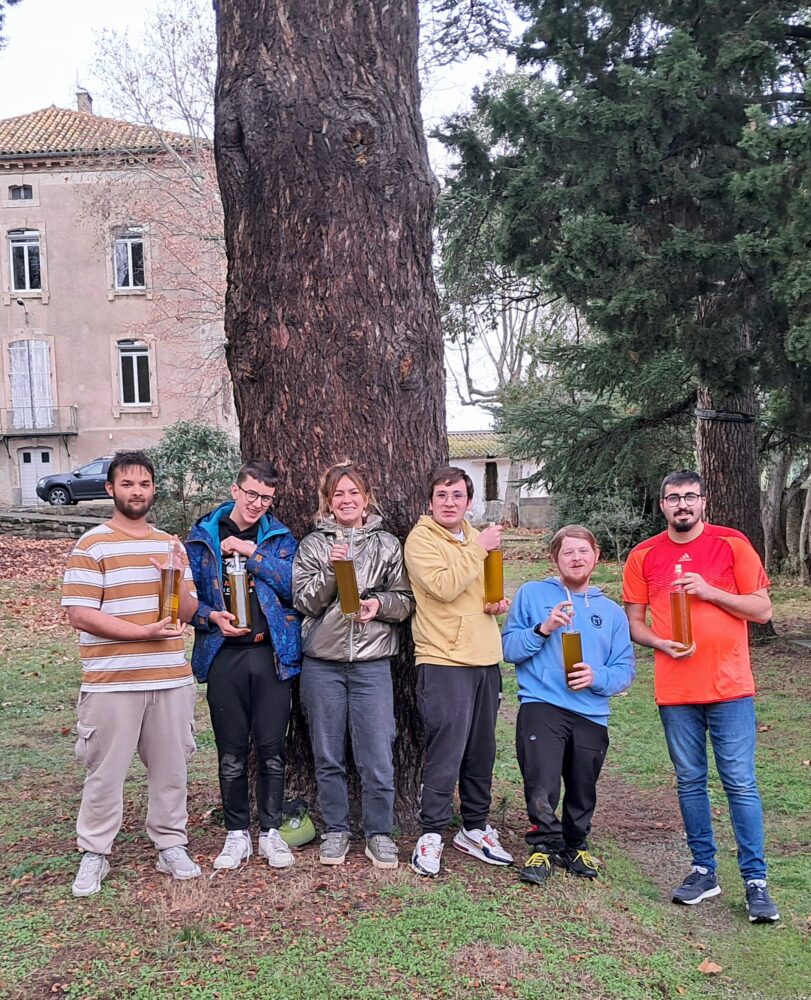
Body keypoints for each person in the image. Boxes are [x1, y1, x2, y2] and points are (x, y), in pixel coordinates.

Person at [622, 469, 779, 923]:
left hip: (730, 686)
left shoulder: (731, 544)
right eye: (674, 498)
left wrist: (710, 592)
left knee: (739, 782)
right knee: (690, 780)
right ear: (662, 505)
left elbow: (763, 609)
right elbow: (634, 621)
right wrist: (656, 642)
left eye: (691, 497)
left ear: (704, 502)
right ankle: (703, 871)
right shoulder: (644, 555)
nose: (683, 505)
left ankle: (755, 880)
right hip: (676, 690)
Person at [62, 451, 201, 897]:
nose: (136, 491)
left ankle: (170, 844)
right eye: (127, 484)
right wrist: (143, 633)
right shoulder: (92, 544)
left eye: (143, 484)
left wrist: (176, 577)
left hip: (169, 678)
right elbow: (80, 614)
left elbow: (191, 610)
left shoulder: (169, 544)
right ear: (111, 489)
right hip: (113, 681)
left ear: (153, 488)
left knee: (171, 769)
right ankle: (94, 853)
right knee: (105, 771)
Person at [292, 462, 414, 868]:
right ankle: (336, 830)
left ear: (366, 499)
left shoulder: (386, 544)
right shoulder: (313, 545)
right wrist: (331, 568)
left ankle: (379, 833)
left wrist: (377, 605)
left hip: (371, 664)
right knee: (327, 754)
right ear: (329, 502)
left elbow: (405, 601)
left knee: (377, 753)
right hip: (323, 664)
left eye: (353, 493)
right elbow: (305, 602)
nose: (346, 500)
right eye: (338, 494)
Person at [502, 525, 635, 885]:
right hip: (542, 703)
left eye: (583, 551)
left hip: (591, 711)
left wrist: (597, 677)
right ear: (555, 559)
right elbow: (509, 649)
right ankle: (544, 845)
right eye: (567, 552)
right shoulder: (532, 594)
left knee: (582, 784)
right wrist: (542, 629)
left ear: (596, 556)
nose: (576, 558)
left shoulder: (611, 612)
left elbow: (625, 669)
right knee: (542, 779)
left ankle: (576, 843)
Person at [186, 460, 301, 871]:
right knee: (231, 753)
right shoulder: (202, 538)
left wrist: (252, 553)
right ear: (235, 490)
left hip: (270, 655)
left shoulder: (281, 538)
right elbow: (187, 598)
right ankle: (237, 834)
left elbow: (297, 587)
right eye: (251, 493)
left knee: (272, 750)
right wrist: (209, 618)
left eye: (265, 497)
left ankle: (270, 832)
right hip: (223, 655)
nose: (256, 504)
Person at [404, 466, 513, 877]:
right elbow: (445, 586)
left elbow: (476, 589)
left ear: (468, 501)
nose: (449, 503)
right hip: (443, 658)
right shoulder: (420, 540)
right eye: (442, 495)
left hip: (485, 656)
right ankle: (430, 834)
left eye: (457, 496)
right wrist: (480, 549)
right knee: (446, 751)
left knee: (481, 750)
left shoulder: (472, 536)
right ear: (430, 502)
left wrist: (494, 602)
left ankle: (475, 827)